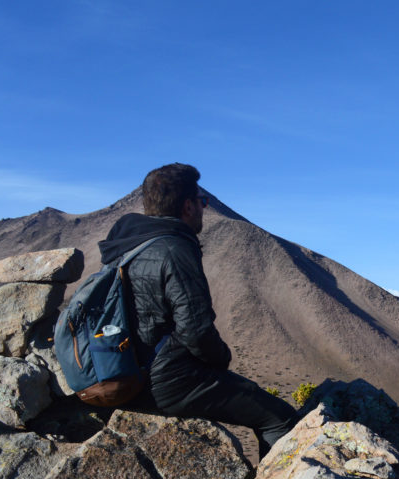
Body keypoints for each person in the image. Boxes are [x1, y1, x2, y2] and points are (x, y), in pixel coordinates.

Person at [98, 163, 297, 459]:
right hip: (164, 380)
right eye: (203, 202)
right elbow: (196, 329)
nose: (205, 208)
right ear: (188, 206)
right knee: (279, 417)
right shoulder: (175, 248)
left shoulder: (126, 247)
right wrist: (221, 360)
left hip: (120, 372)